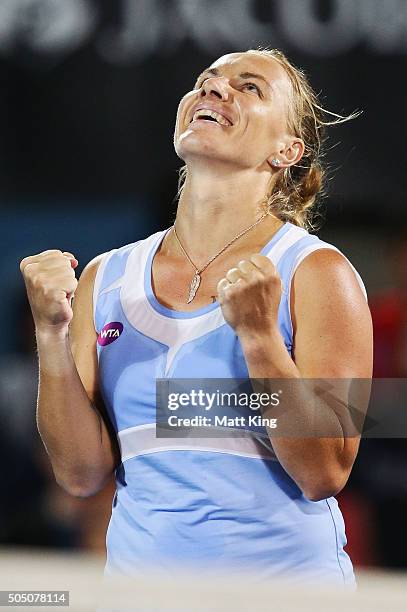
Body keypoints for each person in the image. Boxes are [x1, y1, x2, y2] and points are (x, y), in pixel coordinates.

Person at [20, 49, 373, 586]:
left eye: (250, 87)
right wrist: (51, 333)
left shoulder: (318, 272)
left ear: (287, 150)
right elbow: (80, 473)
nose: (215, 90)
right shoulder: (106, 277)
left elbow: (324, 472)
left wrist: (259, 338)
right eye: (206, 82)